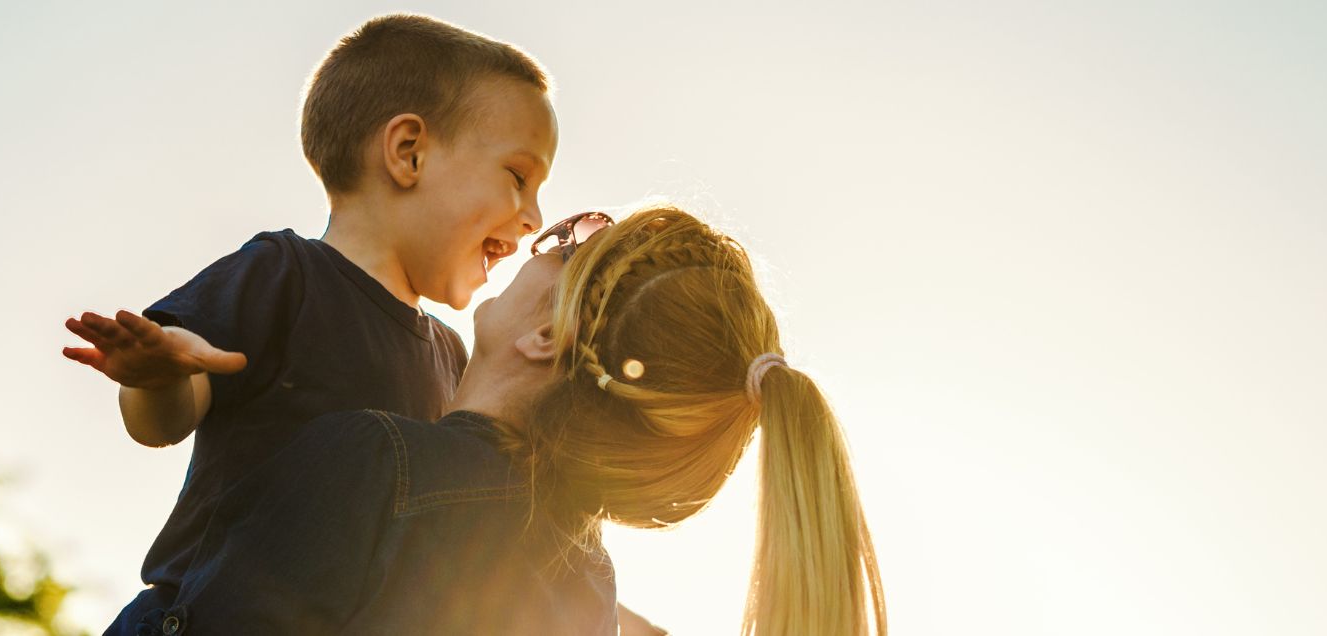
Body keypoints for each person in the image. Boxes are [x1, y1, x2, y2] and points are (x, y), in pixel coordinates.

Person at [111, 205, 887, 634]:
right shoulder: (588, 586)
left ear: (547, 336)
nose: (529, 244)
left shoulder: (372, 464)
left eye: (559, 247)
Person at [56, 14, 558, 629]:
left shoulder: (453, 355)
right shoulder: (284, 275)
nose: (534, 216)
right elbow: (169, 417)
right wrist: (157, 377)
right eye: (518, 176)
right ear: (409, 153)